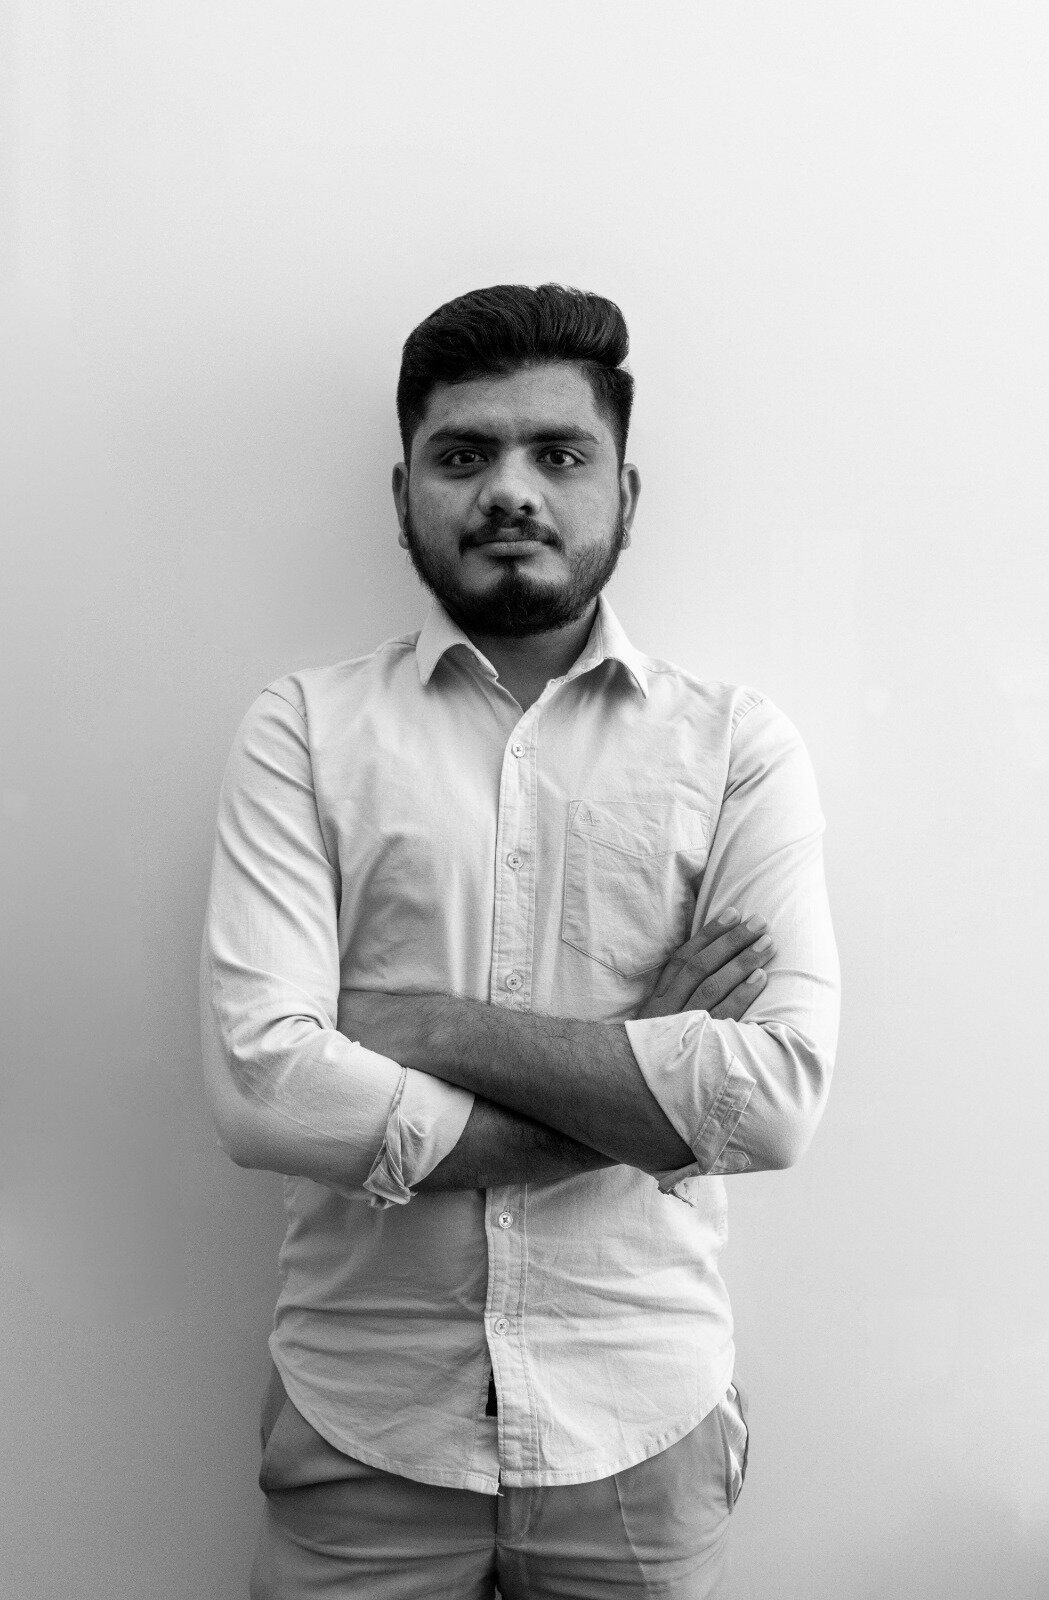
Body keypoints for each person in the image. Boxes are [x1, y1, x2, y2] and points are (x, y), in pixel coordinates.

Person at [200, 283, 840, 1599]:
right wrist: (639, 1070)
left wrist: (425, 1028)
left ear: (625, 493)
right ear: (403, 496)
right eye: (463, 455)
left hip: (640, 1424)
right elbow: (266, 1089)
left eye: (558, 454)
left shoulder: (734, 747)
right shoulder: (302, 731)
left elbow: (773, 1102)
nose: (510, 490)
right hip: (364, 1427)